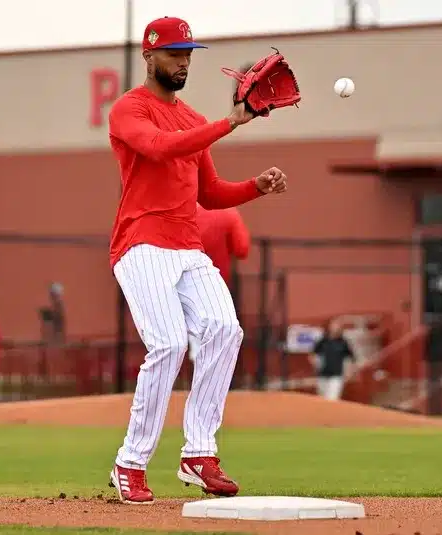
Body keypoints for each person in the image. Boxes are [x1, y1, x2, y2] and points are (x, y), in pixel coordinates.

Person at [106, 16, 287, 504]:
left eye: (188, 53)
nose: (183, 60)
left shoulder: (192, 118)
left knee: (225, 330)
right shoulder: (128, 109)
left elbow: (208, 193)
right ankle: (130, 462)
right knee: (167, 345)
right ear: (149, 56)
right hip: (140, 244)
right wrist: (228, 122)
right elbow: (160, 150)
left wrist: (255, 187)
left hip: (187, 247)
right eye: (173, 52)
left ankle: (198, 453)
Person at [187, 204, 251, 362]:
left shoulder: (181, 210)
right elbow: (242, 249)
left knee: (188, 339)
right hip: (216, 286)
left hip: (180, 285)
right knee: (218, 336)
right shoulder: (228, 212)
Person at [312, 320, 355, 401]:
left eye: (337, 326)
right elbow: (314, 354)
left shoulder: (343, 342)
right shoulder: (323, 341)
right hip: (323, 374)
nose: (335, 328)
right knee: (322, 398)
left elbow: (350, 357)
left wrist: (349, 371)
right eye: (333, 326)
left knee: (332, 398)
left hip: (337, 375)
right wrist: (315, 364)